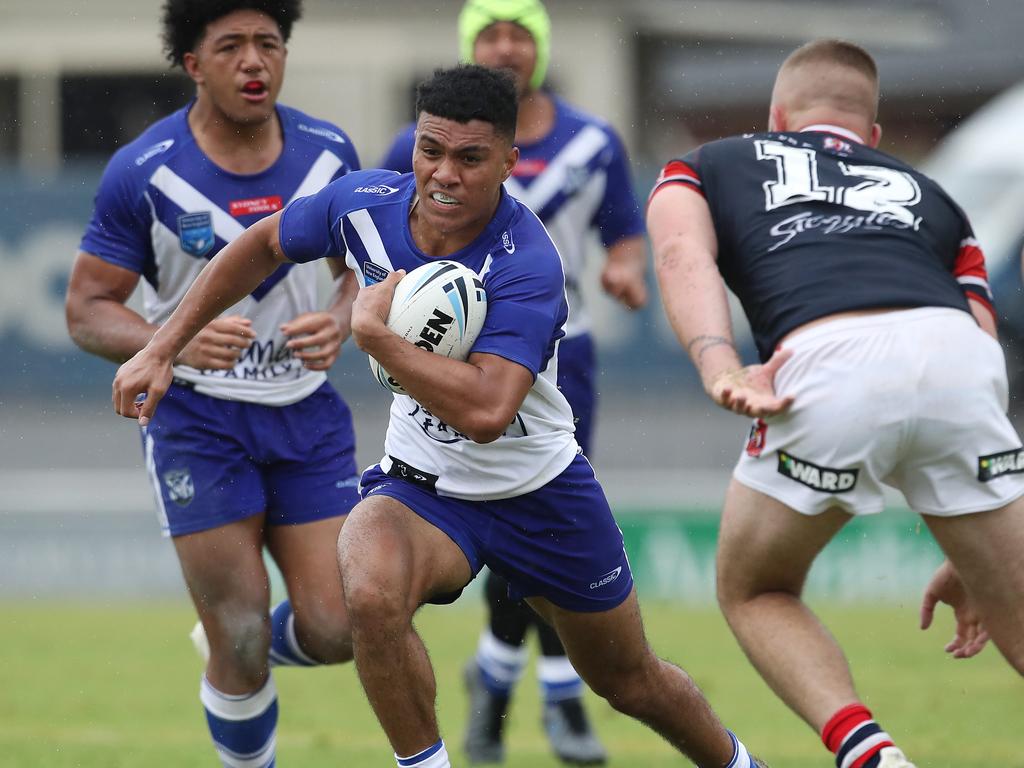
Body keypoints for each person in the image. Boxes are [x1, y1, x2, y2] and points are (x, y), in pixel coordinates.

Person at [112, 64, 767, 768]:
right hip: (423, 485)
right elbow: (265, 244)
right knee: (367, 589)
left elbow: (489, 410)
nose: (444, 174)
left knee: (630, 681)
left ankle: (740, 764)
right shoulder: (363, 203)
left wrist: (378, 339)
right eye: (431, 150)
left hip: (538, 490)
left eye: (470, 158)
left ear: (509, 163)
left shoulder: (526, 264)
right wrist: (163, 347)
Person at [647, 38, 1024, 768]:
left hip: (826, 362)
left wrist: (720, 363)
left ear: (776, 117)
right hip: (958, 362)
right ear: (872, 136)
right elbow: (980, 342)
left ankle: (870, 755)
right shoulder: (931, 193)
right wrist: (971, 522)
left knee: (754, 588)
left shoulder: (711, 162)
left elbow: (680, 255)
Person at [65, 1, 363, 764]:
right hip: (198, 424)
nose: (254, 60)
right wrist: (177, 346)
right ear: (193, 65)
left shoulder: (330, 154)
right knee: (239, 633)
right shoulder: (143, 170)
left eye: (268, 43)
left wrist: (343, 313)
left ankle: (242, 643)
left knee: (339, 630)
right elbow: (87, 310)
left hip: (306, 415)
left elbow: (370, 273)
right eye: (230, 45)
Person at [380, 2, 648, 762]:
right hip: (452, 356)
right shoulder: (420, 142)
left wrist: (626, 269)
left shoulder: (592, 142)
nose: (505, 47)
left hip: (563, 354)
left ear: (542, 47)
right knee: (497, 519)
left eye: (520, 33)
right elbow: (377, 237)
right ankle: (542, 693)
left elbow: (622, 237)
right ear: (470, 44)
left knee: (541, 520)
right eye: (490, 34)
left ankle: (509, 683)